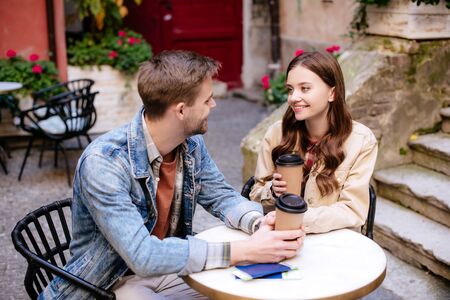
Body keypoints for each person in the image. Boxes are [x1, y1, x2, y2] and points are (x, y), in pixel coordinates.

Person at [40, 50, 305, 300]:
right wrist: (243, 251)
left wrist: (259, 224)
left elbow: (221, 196)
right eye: (207, 99)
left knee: (252, 290)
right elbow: (143, 256)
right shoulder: (104, 163)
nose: (214, 105)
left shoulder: (190, 143)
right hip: (107, 283)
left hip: (169, 269)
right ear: (180, 110)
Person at [250, 51, 378, 234]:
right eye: (290, 89)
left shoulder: (361, 141)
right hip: (280, 237)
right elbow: (255, 193)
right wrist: (271, 191)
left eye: (305, 88)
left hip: (333, 242)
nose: (293, 98)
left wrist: (297, 219)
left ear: (332, 93)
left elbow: (353, 210)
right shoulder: (276, 133)